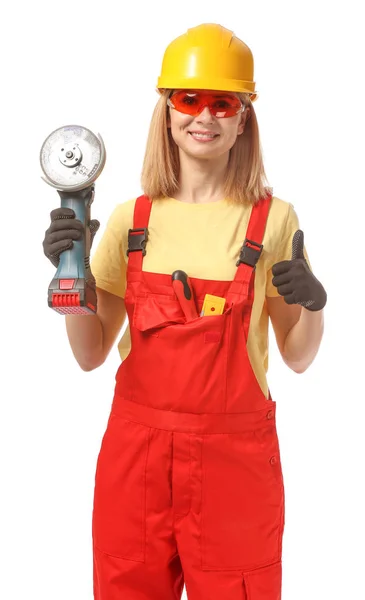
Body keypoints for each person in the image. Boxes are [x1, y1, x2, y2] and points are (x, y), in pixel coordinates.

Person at [43, 23, 327, 600]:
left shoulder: (272, 221)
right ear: (167, 111)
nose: (205, 117)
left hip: (233, 468)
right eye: (189, 99)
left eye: (223, 102)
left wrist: (311, 304)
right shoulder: (130, 220)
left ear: (243, 116)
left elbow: (297, 358)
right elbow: (90, 353)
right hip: (136, 462)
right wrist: (70, 276)